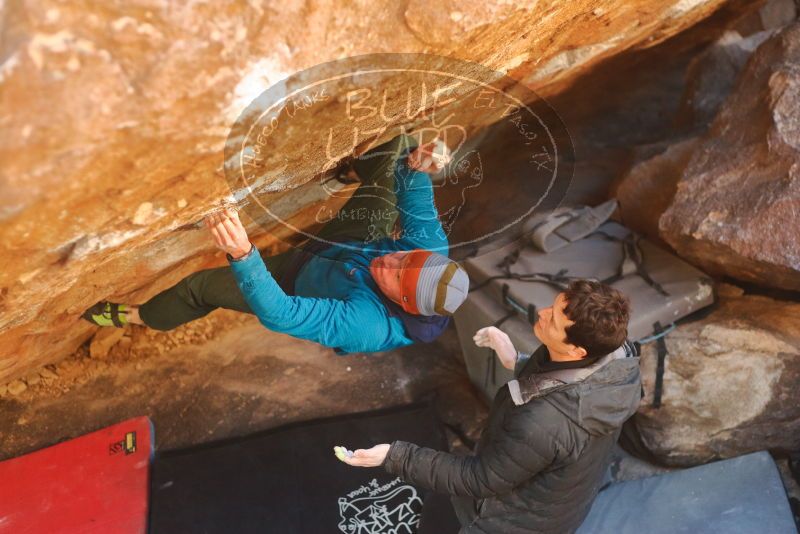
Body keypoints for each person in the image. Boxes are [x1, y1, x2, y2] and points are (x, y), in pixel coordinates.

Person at [82, 135, 470, 354]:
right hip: (348, 245)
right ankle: (347, 172)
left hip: (293, 282)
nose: (390, 261)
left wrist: (243, 255)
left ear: (402, 303)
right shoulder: (428, 252)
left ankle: (138, 316)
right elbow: (414, 198)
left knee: (198, 288)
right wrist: (417, 165)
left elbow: (281, 314)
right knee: (397, 148)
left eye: (395, 275)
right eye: (402, 256)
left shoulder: (365, 327)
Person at [339, 279, 642, 533]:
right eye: (554, 305)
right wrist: (515, 360)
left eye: (554, 319)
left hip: (508, 522)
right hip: (563, 503)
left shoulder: (542, 423)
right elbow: (567, 383)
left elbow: (479, 480)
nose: (543, 313)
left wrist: (395, 456)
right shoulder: (618, 362)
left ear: (576, 350)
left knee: (439, 517)